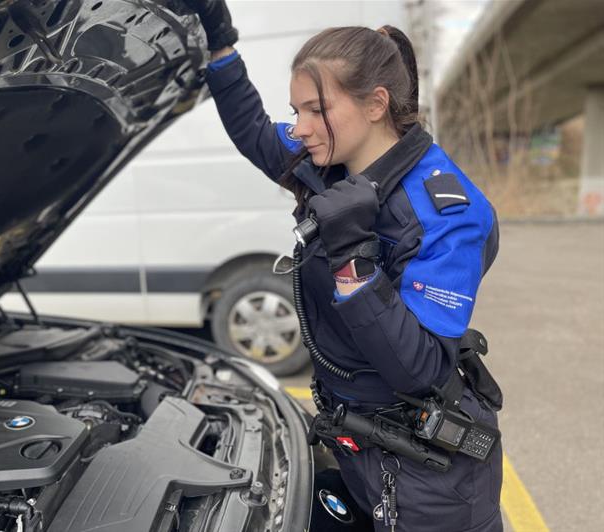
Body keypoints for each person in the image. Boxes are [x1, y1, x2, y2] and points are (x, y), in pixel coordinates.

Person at [181, 1, 504, 531]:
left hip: (429, 485)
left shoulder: (448, 214)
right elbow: (258, 135)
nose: (301, 128)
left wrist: (353, 256)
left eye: (315, 109)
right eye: (296, 111)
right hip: (356, 444)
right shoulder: (332, 160)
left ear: (376, 104)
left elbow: (419, 368)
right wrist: (221, 48)